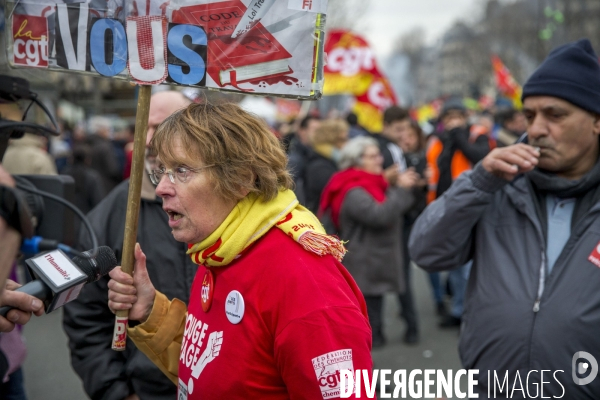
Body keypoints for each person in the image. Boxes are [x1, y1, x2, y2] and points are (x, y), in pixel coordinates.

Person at [107, 103, 372, 399]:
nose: (161, 188)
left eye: (181, 170)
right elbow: (211, 363)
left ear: (241, 179)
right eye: (163, 171)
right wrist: (148, 312)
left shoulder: (305, 285)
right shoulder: (221, 250)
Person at [409, 39, 600, 397]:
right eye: (530, 115)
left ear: (596, 122)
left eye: (555, 115)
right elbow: (426, 253)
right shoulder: (497, 185)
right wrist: (478, 183)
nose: (537, 128)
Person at [63, 91, 196, 400]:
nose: (150, 140)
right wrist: (117, 392)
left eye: (163, 127)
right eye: (144, 127)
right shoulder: (111, 215)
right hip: (146, 389)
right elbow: (84, 316)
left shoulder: (224, 210)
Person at [319, 136, 418, 348]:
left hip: (373, 256)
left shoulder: (370, 182)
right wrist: (401, 189)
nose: (379, 160)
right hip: (364, 258)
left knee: (374, 302)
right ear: (356, 161)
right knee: (369, 309)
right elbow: (379, 215)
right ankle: (370, 356)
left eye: (378, 155)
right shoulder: (354, 189)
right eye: (373, 156)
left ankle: (376, 342)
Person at [426, 98, 491, 328]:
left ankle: (472, 313)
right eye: (449, 117)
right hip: (446, 208)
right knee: (454, 265)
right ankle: (458, 310)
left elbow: (478, 156)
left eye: (457, 116)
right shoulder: (438, 141)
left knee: (469, 267)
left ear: (465, 117)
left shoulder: (477, 134)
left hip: (472, 207)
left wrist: (459, 137)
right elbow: (438, 171)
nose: (453, 122)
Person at [303, 119, 348, 213]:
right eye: (342, 140)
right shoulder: (320, 167)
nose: (346, 143)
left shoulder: (331, 161)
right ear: (331, 140)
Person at [287, 115, 320, 203]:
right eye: (315, 130)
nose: (318, 134)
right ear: (302, 131)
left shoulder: (314, 155)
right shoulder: (295, 160)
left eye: (320, 130)